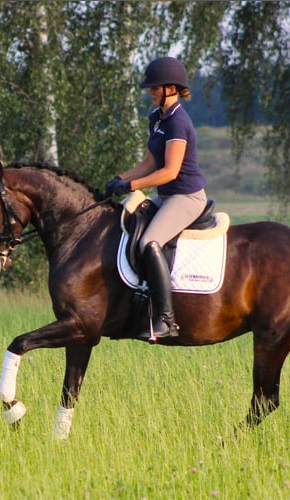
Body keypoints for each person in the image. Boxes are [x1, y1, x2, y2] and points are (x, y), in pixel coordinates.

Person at [105, 56, 208, 340]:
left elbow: (170, 171)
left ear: (171, 88)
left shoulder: (178, 122)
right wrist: (121, 179)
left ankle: (166, 320)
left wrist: (132, 185)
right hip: (168, 196)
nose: (150, 92)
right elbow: (151, 160)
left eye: (154, 88)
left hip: (186, 197)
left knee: (150, 242)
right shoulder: (157, 118)